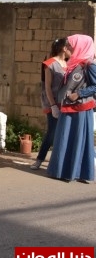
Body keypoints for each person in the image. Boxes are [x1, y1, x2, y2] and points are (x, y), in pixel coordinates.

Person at [46, 34, 96, 183]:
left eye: (70, 45)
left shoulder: (89, 64)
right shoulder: (74, 63)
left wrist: (79, 94)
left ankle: (78, 172)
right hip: (68, 107)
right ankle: (61, 171)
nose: (68, 48)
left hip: (80, 109)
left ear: (80, 46)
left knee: (78, 139)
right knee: (64, 138)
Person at [31, 38, 69, 170]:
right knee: (52, 132)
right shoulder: (50, 63)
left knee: (64, 132)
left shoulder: (68, 63)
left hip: (66, 102)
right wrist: (53, 106)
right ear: (64, 48)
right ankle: (39, 159)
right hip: (53, 102)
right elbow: (47, 87)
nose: (72, 49)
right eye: (69, 47)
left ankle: (60, 161)